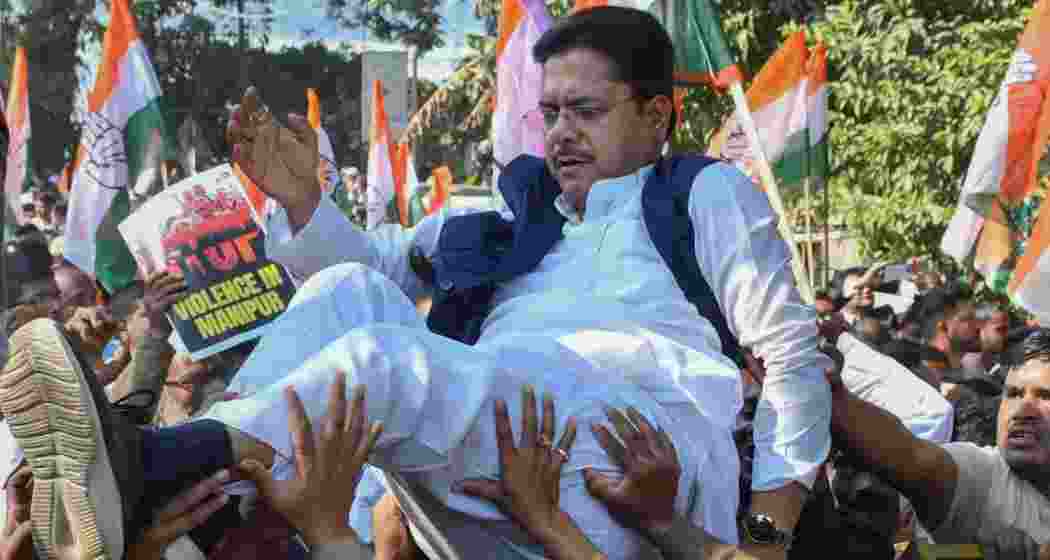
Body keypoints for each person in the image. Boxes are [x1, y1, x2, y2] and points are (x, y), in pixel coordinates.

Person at [2, 6, 830, 560]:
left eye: (588, 110)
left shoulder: (698, 193)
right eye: (551, 113)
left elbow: (792, 361)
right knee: (342, 300)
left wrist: (764, 536)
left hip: (637, 455)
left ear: (657, 115)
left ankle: (154, 469)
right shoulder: (504, 220)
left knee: (383, 361)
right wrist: (302, 203)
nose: (562, 133)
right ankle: (188, 503)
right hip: (492, 448)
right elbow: (365, 266)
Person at [829, 328, 1050, 558]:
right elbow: (907, 453)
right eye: (1013, 394)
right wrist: (832, 396)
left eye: (1045, 396)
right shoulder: (980, 474)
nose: (1022, 410)